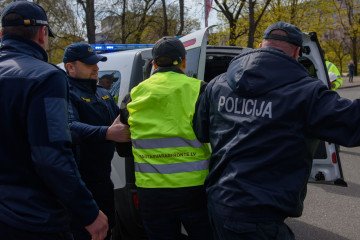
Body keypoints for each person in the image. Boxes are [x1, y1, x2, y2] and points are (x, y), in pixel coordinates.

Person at [193, 21, 360, 240]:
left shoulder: (217, 84)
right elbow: (352, 123)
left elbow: (201, 131)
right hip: (259, 216)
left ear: (261, 45)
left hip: (218, 204)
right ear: (297, 52)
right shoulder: (305, 92)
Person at [0, 1, 108, 240]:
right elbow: (50, 156)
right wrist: (89, 212)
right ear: (42, 34)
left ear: (2, 34)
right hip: (33, 218)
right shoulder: (45, 77)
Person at [118, 37, 213, 240]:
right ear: (184, 61)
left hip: (152, 190)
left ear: (154, 63)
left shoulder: (135, 94)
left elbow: (123, 142)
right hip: (194, 188)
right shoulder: (201, 89)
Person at [63, 42, 131, 240]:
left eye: (97, 63)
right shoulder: (65, 92)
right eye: (89, 64)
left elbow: (118, 119)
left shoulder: (102, 92)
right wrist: (107, 133)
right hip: (80, 182)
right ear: (70, 67)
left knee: (108, 230)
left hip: (104, 179)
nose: (96, 68)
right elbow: (68, 126)